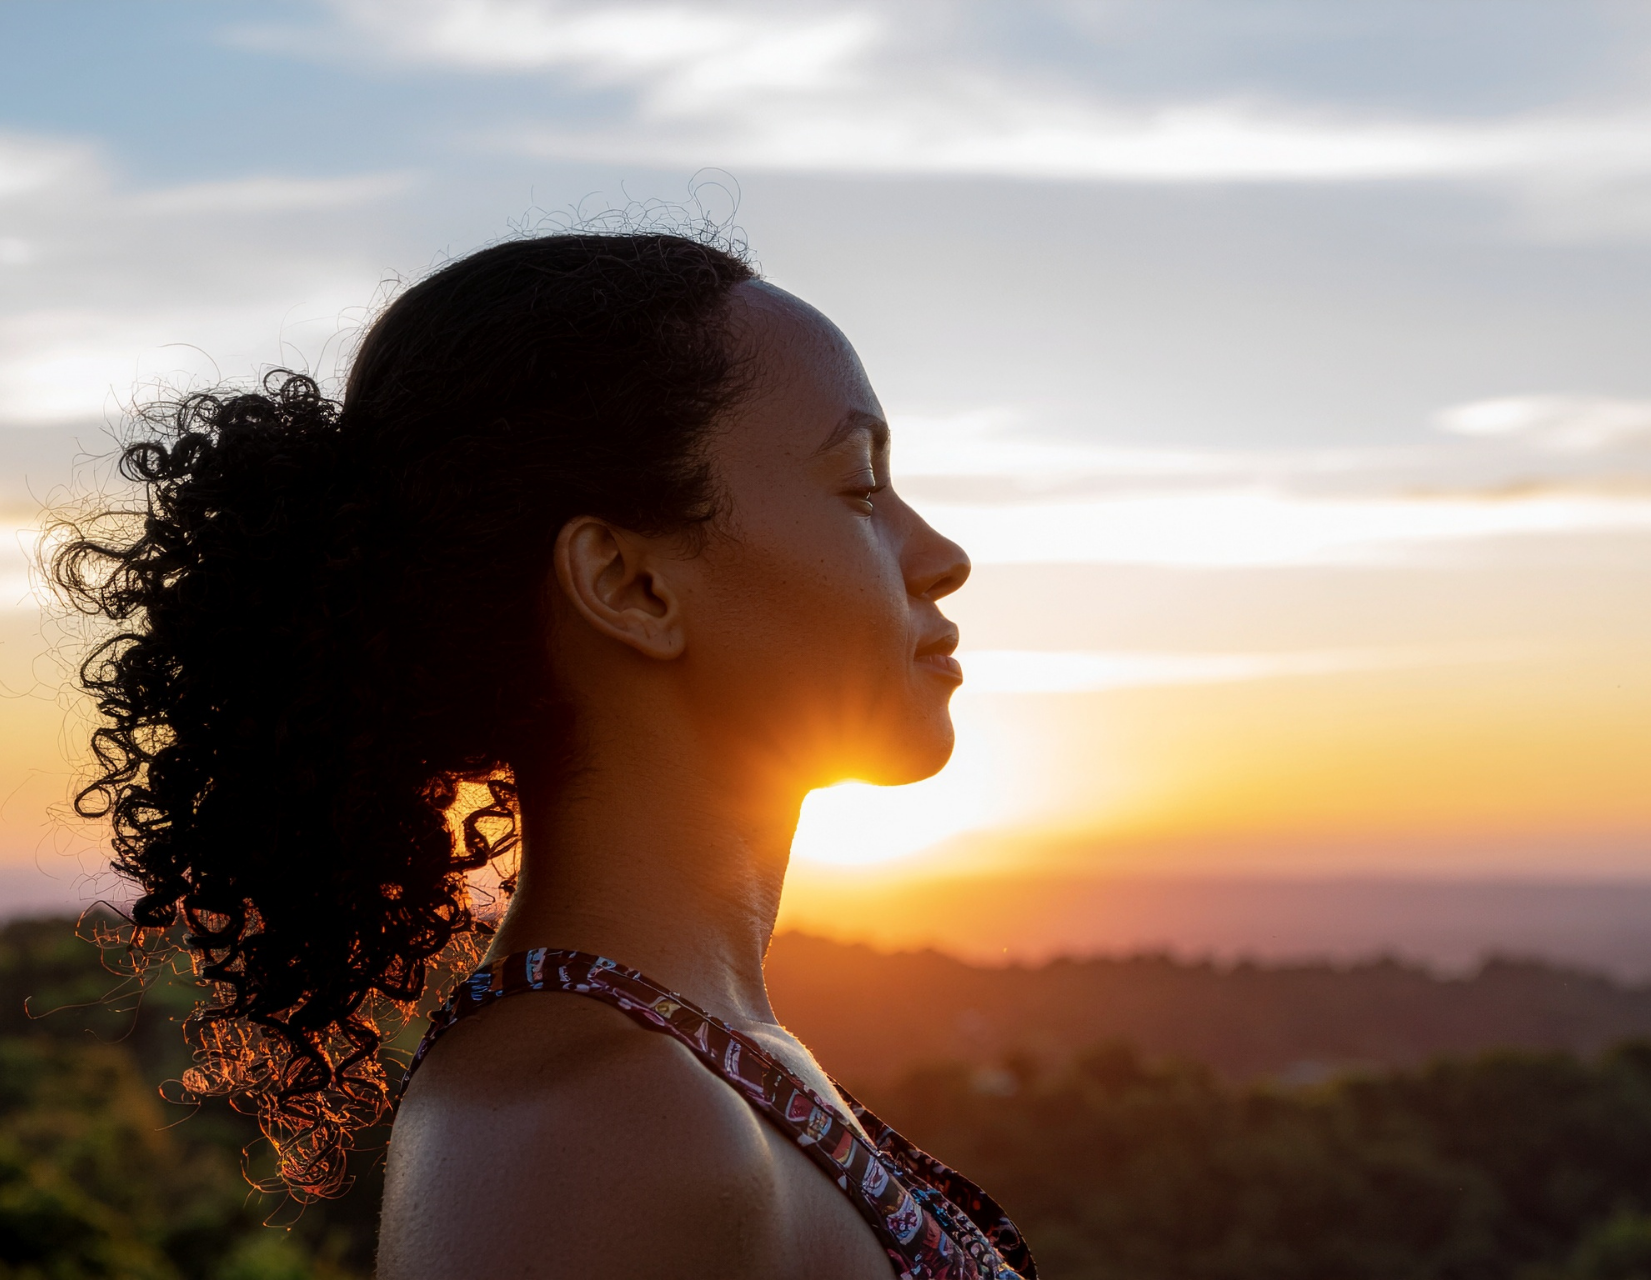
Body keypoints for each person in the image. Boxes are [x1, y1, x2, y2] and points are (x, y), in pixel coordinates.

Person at [51, 231, 1035, 1279]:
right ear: (628, 584)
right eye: (860, 485)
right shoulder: (588, 1131)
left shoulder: (671, 1070)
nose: (942, 555)